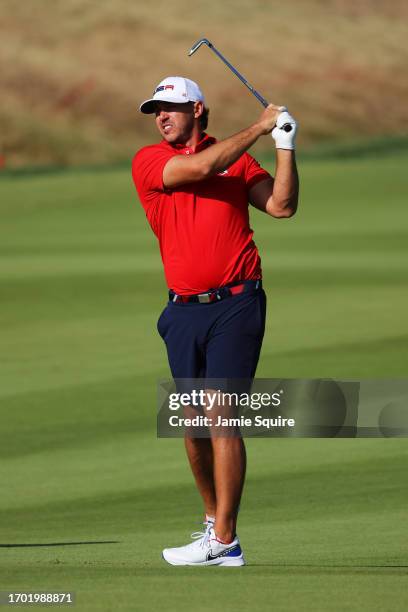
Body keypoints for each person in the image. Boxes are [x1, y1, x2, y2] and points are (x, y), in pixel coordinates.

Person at [132, 76, 299, 566]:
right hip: (182, 310)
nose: (161, 116)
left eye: (171, 108)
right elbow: (203, 166)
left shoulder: (238, 160)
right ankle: (213, 524)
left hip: (237, 303)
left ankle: (226, 538)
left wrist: (284, 144)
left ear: (198, 110)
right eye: (156, 109)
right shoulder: (151, 161)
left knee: (220, 413)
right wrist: (260, 125)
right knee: (191, 422)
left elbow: (282, 206)